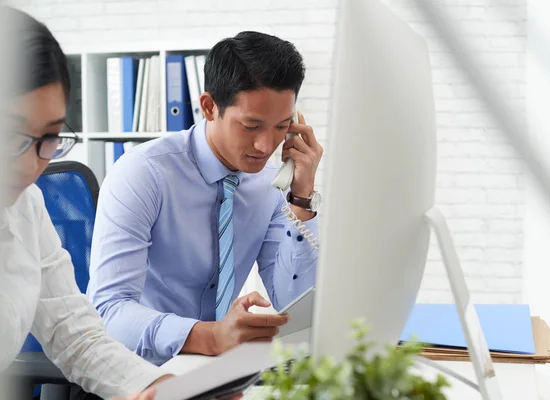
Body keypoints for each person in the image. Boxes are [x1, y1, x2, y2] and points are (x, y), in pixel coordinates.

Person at [87, 31, 324, 366]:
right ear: (210, 107)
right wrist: (209, 337)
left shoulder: (269, 186)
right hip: (140, 371)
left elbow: (291, 301)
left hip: (219, 371)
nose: (265, 145)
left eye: (281, 127)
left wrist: (301, 198)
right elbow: (107, 312)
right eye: (251, 126)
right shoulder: (144, 174)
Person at [0, 7, 171, 399]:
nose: (32, 167)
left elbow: (75, 335)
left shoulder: (25, 205)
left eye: (49, 137)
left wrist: (158, 388)